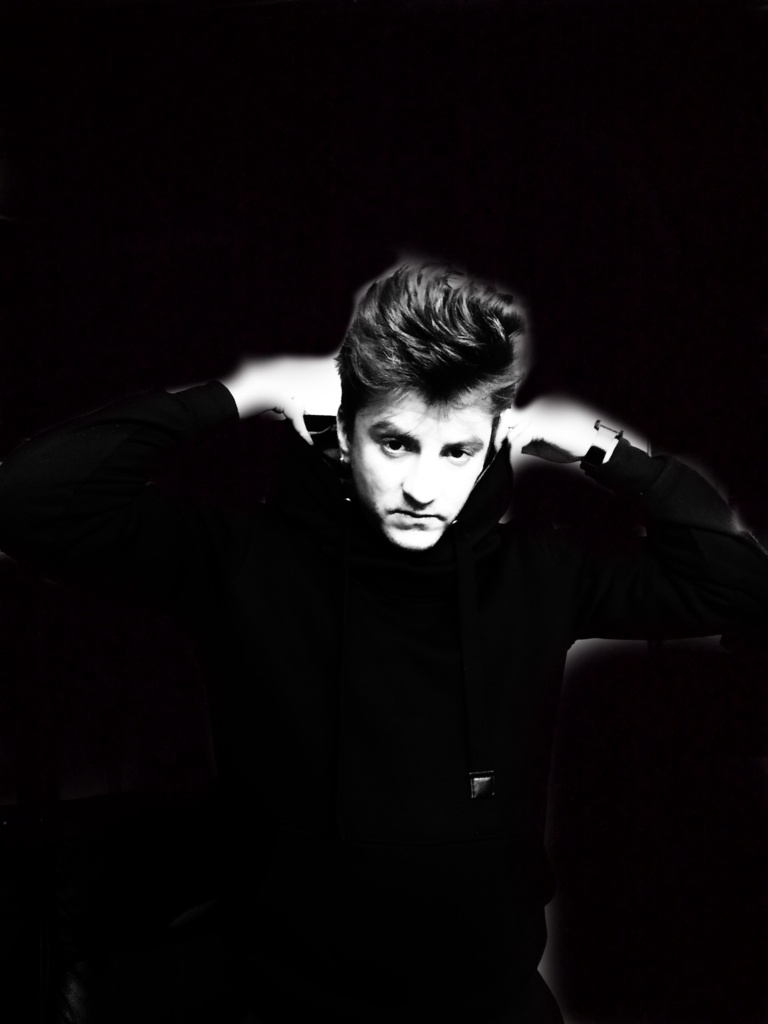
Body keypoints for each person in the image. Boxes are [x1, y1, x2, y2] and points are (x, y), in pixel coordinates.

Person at [0, 261, 766, 1023]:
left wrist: (612, 453)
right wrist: (244, 394)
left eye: (456, 451)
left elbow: (737, 584)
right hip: (285, 1005)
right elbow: (27, 500)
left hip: (491, 1005)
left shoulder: (540, 577)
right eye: (395, 444)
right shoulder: (242, 561)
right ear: (341, 432)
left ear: (493, 447)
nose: (423, 489)